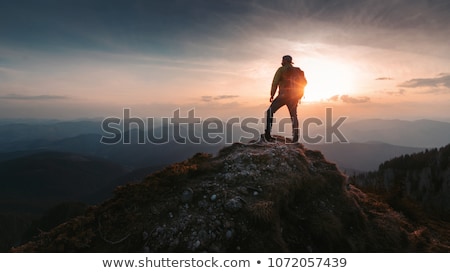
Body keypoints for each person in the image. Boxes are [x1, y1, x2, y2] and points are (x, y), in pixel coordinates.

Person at [264, 55, 307, 143]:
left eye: (282, 60)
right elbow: (305, 83)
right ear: (291, 62)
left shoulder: (281, 69)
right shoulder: (298, 71)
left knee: (269, 112)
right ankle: (295, 137)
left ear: (284, 61)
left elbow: (275, 83)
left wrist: (272, 95)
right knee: (294, 115)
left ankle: (268, 135)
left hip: (283, 96)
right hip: (294, 97)